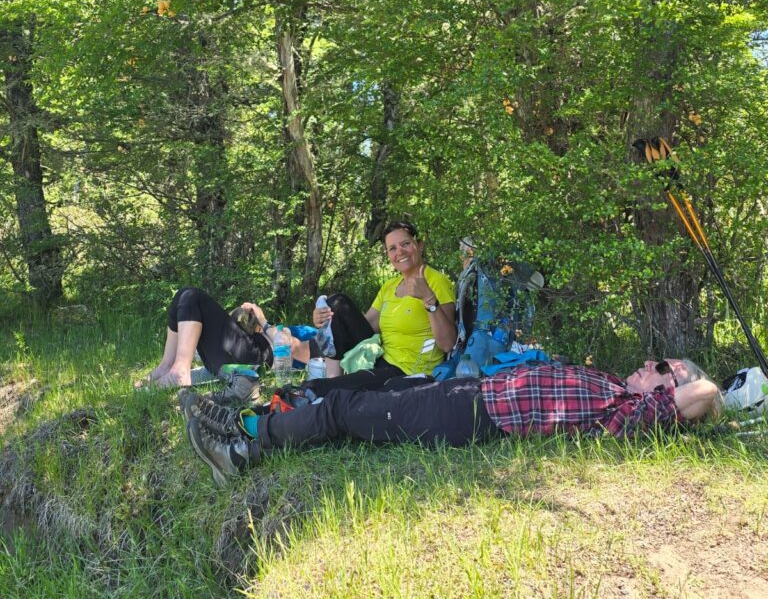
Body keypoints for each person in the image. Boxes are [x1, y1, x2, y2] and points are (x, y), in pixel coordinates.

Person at [182, 357, 722, 486]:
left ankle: (244, 449)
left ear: (668, 392)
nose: (647, 364)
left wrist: (696, 388)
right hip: (471, 392)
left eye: (661, 367)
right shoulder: (612, 385)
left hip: (471, 416)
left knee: (345, 412)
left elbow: (707, 393)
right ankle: (238, 423)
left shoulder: (629, 412)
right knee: (355, 395)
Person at [307, 219, 457, 394]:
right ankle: (333, 377)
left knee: (322, 389)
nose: (399, 251)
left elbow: (448, 344)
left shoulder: (437, 282)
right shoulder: (390, 286)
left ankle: (325, 389)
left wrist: (428, 299)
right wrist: (324, 318)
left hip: (408, 372)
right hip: (381, 360)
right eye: (392, 248)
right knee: (336, 303)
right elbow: (365, 325)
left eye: (406, 244)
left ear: (420, 245)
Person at [136, 287, 317, 388]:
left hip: (256, 358)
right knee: (182, 295)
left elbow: (294, 348)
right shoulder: (306, 328)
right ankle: (166, 365)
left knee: (193, 296)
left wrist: (263, 321)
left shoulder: (317, 336)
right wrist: (251, 322)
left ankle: (180, 371)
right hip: (244, 348)